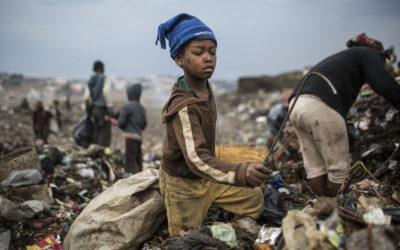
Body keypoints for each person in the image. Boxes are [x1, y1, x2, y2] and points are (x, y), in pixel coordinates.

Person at [155, 13, 272, 236]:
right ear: (179, 59)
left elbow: (204, 162)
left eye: (213, 52)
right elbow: (197, 159)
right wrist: (241, 172)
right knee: (185, 238)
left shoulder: (205, 89)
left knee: (255, 199)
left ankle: (222, 219)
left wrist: (241, 172)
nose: (208, 58)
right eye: (199, 53)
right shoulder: (183, 106)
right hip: (183, 183)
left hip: (208, 176)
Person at [288, 33, 400, 197]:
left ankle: (321, 205)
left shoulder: (344, 60)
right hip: (319, 105)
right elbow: (383, 83)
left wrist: (350, 138)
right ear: (377, 52)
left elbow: (334, 116)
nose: (381, 64)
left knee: (314, 166)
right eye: (382, 60)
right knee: (339, 169)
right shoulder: (366, 53)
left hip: (296, 105)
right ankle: (338, 208)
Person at [109, 83, 147, 175]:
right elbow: (144, 124)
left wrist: (112, 121)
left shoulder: (127, 107)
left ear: (129, 94)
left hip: (130, 137)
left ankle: (132, 180)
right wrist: (138, 130)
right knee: (138, 160)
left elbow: (121, 123)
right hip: (139, 137)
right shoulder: (142, 108)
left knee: (130, 161)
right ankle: (141, 177)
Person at [83, 60, 114, 147]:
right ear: (101, 68)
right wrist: (110, 107)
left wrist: (88, 108)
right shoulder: (105, 78)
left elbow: (86, 97)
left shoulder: (90, 80)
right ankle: (104, 152)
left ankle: (96, 152)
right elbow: (105, 92)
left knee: (96, 132)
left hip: (93, 109)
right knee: (105, 132)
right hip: (103, 109)